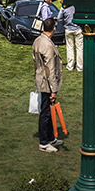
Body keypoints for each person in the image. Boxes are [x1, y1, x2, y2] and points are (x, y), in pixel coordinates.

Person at [32, 18, 63, 153]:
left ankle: (50, 137)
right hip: (47, 82)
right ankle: (44, 142)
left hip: (40, 78)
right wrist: (54, 90)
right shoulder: (48, 45)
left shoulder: (38, 40)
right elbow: (50, 68)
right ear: (54, 28)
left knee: (48, 111)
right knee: (45, 112)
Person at [57, 0, 83, 72]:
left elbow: (59, 18)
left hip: (68, 29)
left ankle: (70, 65)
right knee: (80, 48)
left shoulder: (64, 7)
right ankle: (80, 66)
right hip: (78, 29)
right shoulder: (78, 6)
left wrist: (64, 24)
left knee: (70, 48)